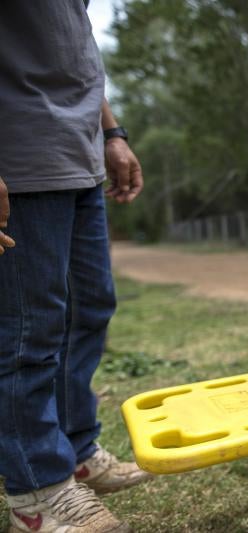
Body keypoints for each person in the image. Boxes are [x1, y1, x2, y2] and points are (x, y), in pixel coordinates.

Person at [0, 2, 151, 531]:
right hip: (21, 154)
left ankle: (76, 450)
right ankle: (37, 493)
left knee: (90, 305)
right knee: (29, 330)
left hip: (79, 152)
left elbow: (74, 48)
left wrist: (112, 133)